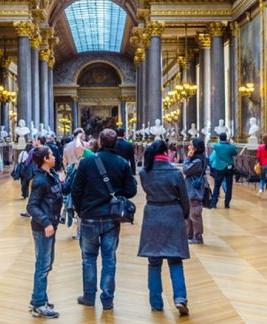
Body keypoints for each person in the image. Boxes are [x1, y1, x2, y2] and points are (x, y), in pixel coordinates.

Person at [71, 129, 137, 310]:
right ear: (115, 143)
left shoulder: (86, 162)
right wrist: (117, 194)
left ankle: (89, 296)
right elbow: (131, 191)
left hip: (90, 216)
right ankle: (107, 299)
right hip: (111, 217)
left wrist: (80, 211)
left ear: (100, 142)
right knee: (109, 259)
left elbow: (76, 190)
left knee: (88, 259)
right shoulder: (122, 163)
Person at [138, 140, 191, 315]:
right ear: (166, 152)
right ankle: (180, 298)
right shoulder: (175, 173)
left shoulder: (145, 172)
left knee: (154, 262)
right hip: (172, 213)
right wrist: (183, 214)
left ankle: (155, 302)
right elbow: (184, 198)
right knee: (175, 260)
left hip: (152, 214)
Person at [27, 146, 64, 319]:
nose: (54, 156)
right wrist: (47, 222)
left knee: (47, 264)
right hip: (43, 228)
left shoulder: (52, 175)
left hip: (51, 225)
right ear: (45, 159)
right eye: (51, 155)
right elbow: (31, 206)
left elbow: (60, 192)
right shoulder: (40, 180)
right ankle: (39, 305)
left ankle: (38, 298)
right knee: (42, 265)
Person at [182, 138, 207, 244]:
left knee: (194, 214)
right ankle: (189, 235)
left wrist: (187, 158)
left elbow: (186, 170)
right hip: (190, 190)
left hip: (194, 191)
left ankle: (197, 237)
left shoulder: (197, 161)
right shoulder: (197, 159)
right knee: (189, 214)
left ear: (196, 148)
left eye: (190, 145)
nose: (188, 147)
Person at [208, 133, 237, 208]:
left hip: (218, 168)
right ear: (226, 138)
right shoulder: (231, 147)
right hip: (228, 168)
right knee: (229, 185)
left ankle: (214, 202)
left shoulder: (216, 146)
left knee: (217, 185)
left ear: (219, 138)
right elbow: (235, 153)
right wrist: (229, 144)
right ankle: (227, 203)